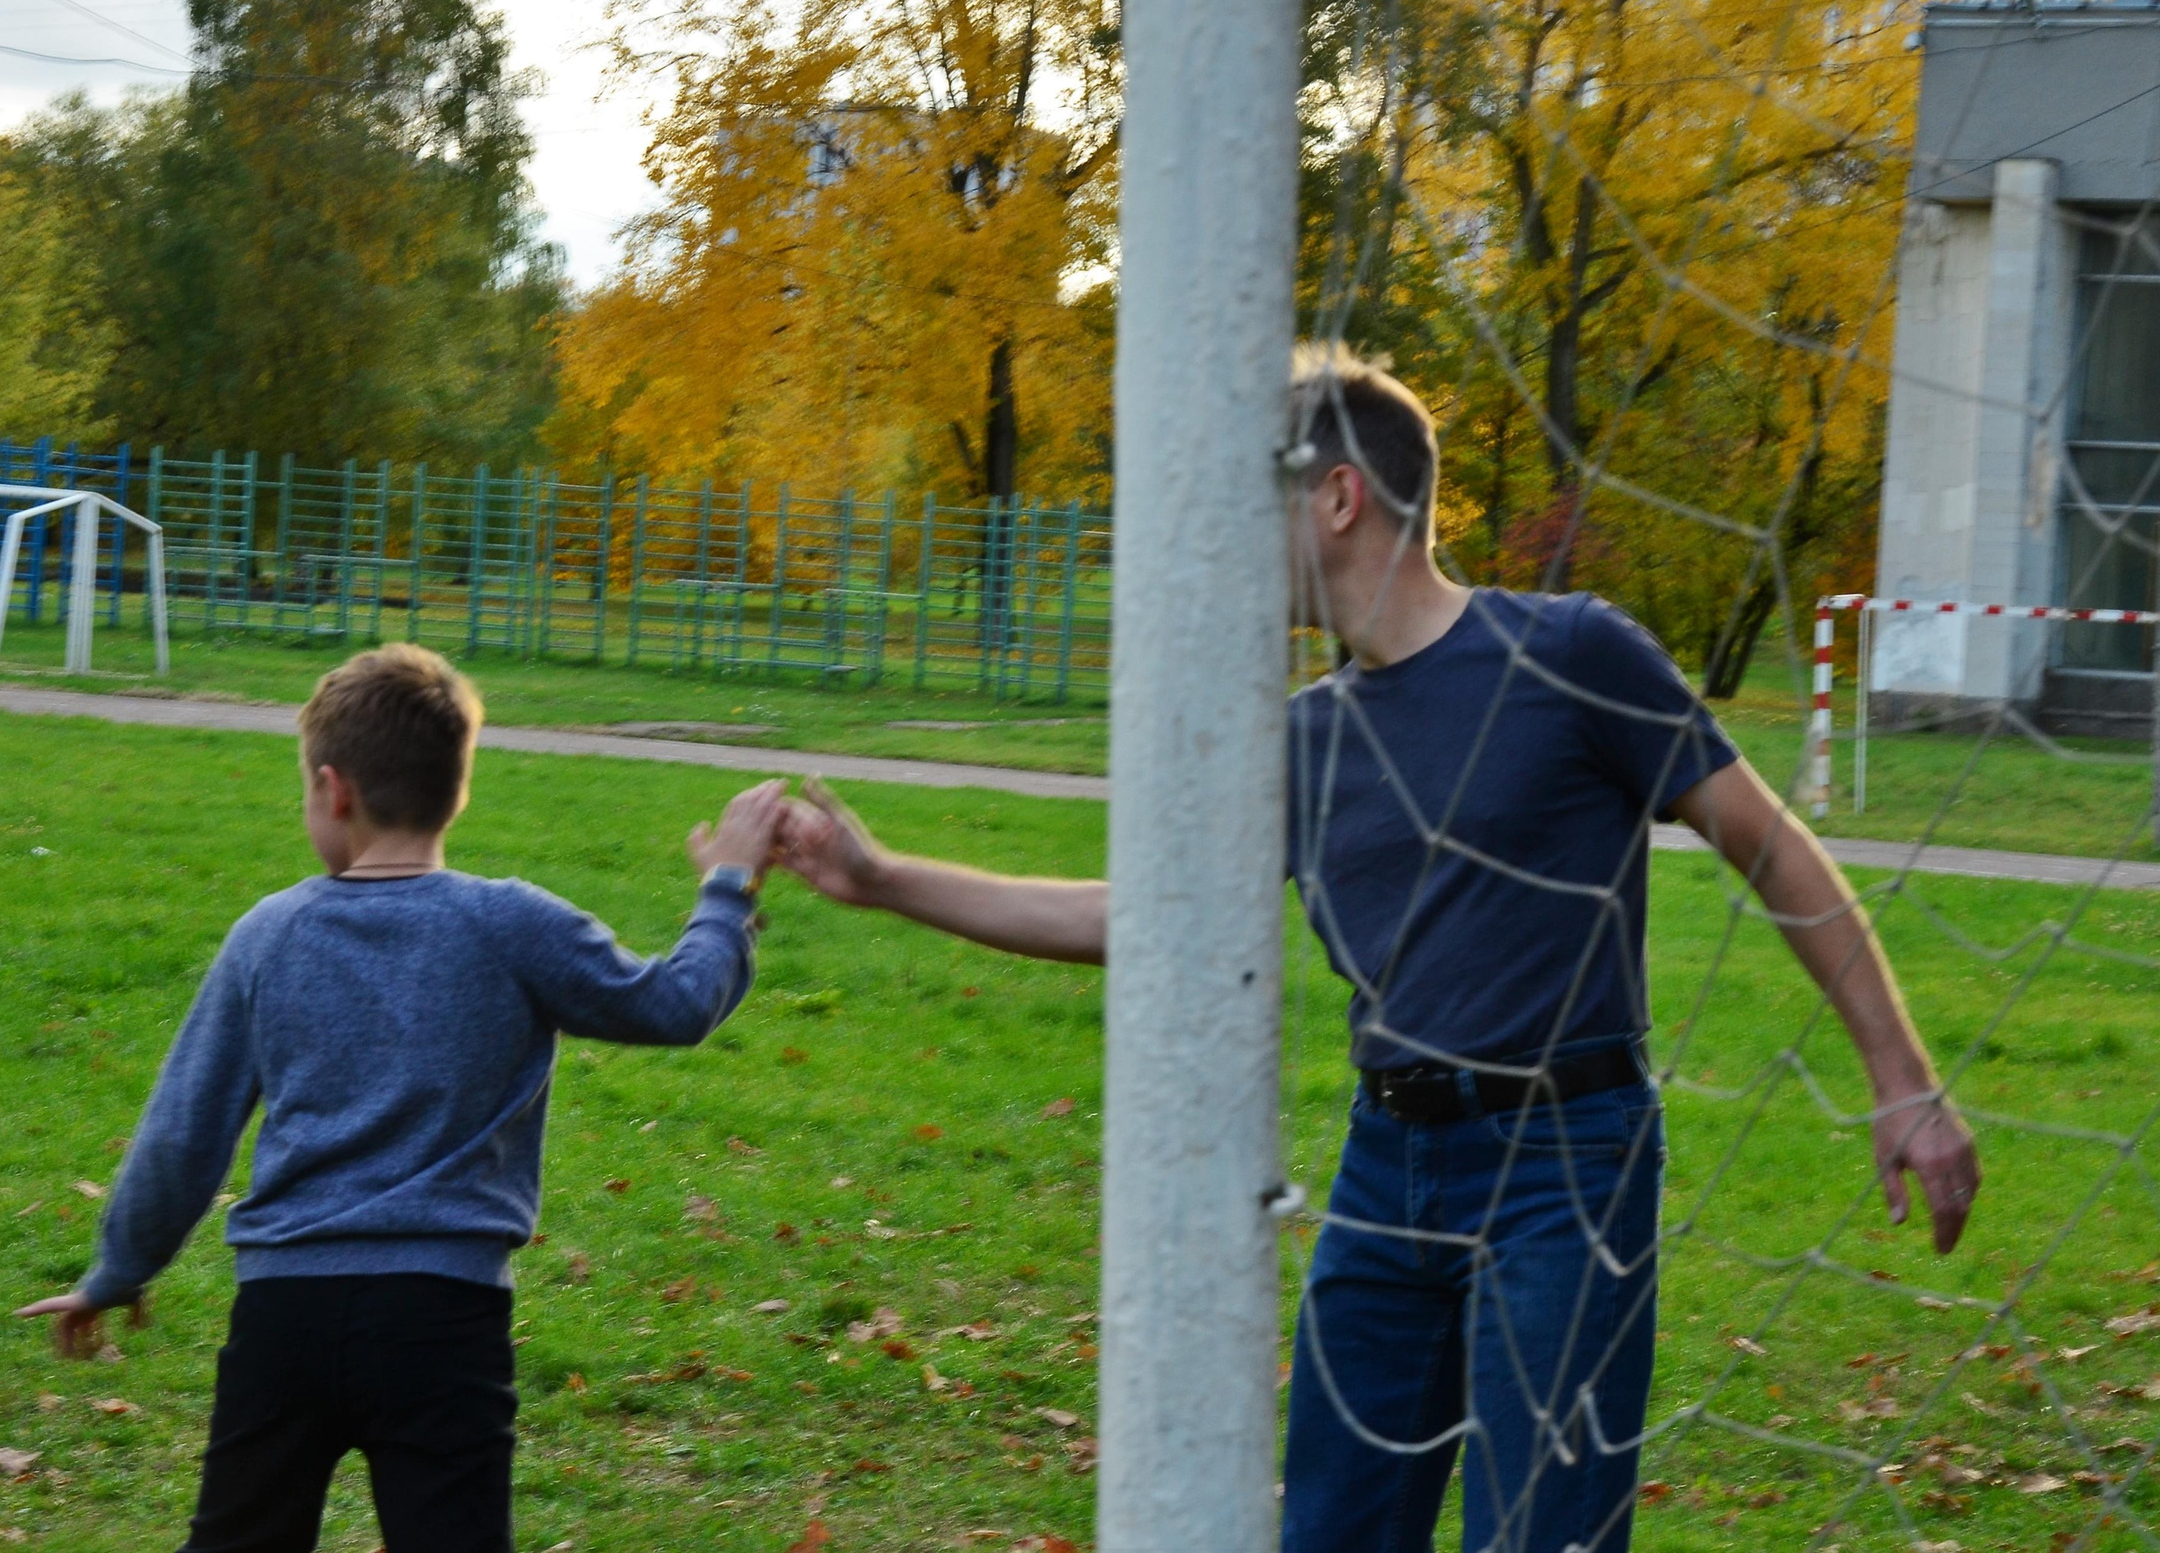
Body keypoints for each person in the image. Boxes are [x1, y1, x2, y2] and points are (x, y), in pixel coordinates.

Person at [774, 346, 1981, 1553]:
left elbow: (1772, 846)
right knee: (1332, 1532)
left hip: (1564, 1166)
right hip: (1384, 1166)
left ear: (1338, 496)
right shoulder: (1301, 737)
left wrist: (1902, 1079)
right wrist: (885, 881)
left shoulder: (1569, 654)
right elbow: (1139, 924)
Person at [12, 644, 788, 1553]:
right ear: (456, 789)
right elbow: (677, 1004)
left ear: (332, 790)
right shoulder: (512, 922)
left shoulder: (269, 935)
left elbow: (184, 1133)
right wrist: (727, 890)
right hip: (442, 1321)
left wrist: (118, 1271)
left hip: (284, 1319)